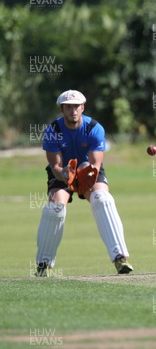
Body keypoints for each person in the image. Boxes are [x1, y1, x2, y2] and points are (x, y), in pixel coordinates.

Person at [35, 90, 133, 276]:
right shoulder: (53, 131)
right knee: (55, 207)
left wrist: (83, 179)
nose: (73, 111)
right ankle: (43, 265)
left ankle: (120, 258)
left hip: (89, 172)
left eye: (76, 106)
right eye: (69, 107)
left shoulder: (94, 128)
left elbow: (95, 165)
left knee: (102, 198)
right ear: (62, 109)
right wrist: (66, 176)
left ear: (83, 107)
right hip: (62, 172)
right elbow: (55, 166)